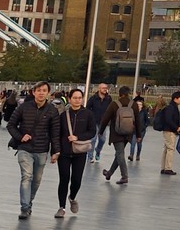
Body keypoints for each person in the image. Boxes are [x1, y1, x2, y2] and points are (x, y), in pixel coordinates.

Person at [8, 81, 61, 219]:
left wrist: (56, 151)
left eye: (44, 90)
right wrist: (20, 137)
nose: (41, 92)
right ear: (33, 92)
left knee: (36, 180)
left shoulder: (52, 110)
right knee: (27, 177)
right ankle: (24, 207)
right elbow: (11, 125)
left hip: (42, 150)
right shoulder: (23, 107)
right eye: (38, 90)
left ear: (48, 93)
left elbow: (55, 132)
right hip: (24, 149)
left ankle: (29, 202)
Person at [55, 87, 97, 218]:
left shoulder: (88, 114)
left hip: (80, 152)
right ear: (69, 99)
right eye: (75, 98)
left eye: (80, 98)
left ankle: (72, 197)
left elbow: (92, 132)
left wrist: (78, 137)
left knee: (77, 179)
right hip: (64, 152)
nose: (77, 100)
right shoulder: (63, 115)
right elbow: (57, 134)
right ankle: (61, 207)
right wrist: (56, 151)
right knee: (64, 178)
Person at [102, 87, 137, 184]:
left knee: (120, 153)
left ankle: (124, 176)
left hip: (116, 133)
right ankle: (109, 173)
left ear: (119, 94)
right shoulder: (133, 105)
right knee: (119, 153)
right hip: (128, 133)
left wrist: (100, 131)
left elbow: (106, 118)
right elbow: (137, 120)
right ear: (128, 94)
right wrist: (138, 135)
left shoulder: (114, 104)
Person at [153, 91, 180, 175]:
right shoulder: (171, 108)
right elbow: (169, 120)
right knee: (170, 149)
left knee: (166, 149)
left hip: (168, 130)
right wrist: (176, 127)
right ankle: (168, 168)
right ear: (175, 99)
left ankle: (164, 167)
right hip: (170, 131)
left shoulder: (170, 107)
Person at [87, 82, 113, 162]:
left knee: (102, 139)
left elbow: (111, 109)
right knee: (93, 139)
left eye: (106, 88)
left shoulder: (108, 99)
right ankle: (90, 156)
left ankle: (98, 151)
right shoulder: (93, 98)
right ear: (99, 89)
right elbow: (87, 108)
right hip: (94, 122)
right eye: (103, 88)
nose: (105, 89)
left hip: (103, 122)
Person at [130, 96, 148, 161]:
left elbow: (147, 121)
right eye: (137, 104)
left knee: (139, 143)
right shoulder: (133, 111)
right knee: (133, 143)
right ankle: (131, 155)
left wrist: (144, 126)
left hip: (141, 131)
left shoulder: (144, 112)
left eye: (140, 104)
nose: (139, 106)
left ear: (142, 105)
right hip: (134, 130)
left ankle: (138, 155)